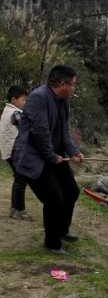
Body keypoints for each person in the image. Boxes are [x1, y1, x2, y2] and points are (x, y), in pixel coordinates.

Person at [13, 65, 84, 254]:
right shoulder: (39, 97)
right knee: (53, 197)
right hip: (34, 157)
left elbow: (64, 132)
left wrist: (74, 152)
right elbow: (39, 132)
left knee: (71, 191)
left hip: (55, 155)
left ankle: (62, 231)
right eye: (73, 84)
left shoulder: (63, 101)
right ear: (62, 84)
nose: (74, 88)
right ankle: (52, 243)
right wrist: (52, 156)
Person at [0, 85, 30, 219]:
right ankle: (18, 210)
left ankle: (15, 209)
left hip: (8, 150)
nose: (25, 102)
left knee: (19, 179)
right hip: (14, 151)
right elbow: (26, 127)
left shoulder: (7, 110)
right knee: (21, 180)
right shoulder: (15, 113)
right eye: (23, 100)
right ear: (13, 100)